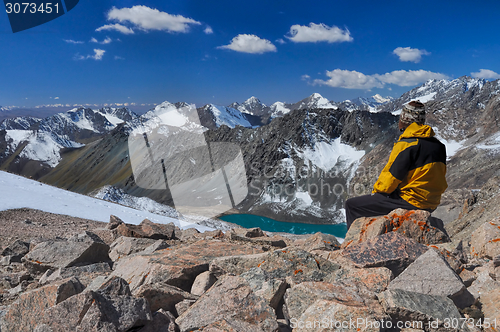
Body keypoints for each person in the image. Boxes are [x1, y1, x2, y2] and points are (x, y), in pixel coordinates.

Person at [345, 100, 447, 230]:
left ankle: (353, 243)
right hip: (431, 203)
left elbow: (390, 180)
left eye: (401, 118)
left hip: (411, 201)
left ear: (405, 121)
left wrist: (376, 192)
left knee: (352, 205)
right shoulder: (439, 146)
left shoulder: (407, 144)